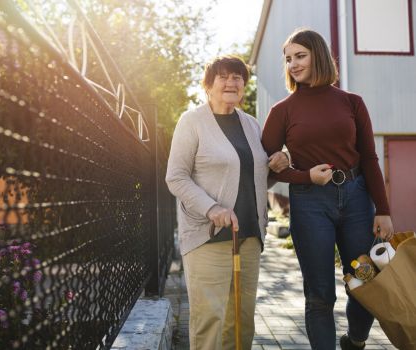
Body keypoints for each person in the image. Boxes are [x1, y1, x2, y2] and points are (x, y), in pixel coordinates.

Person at [261, 28, 394, 350]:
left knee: (365, 284)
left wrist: (384, 209)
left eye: (300, 56)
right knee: (319, 294)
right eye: (288, 59)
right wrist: (303, 176)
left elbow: (371, 157)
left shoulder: (352, 102)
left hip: (357, 200)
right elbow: (264, 167)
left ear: (318, 55)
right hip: (310, 206)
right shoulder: (282, 110)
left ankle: (356, 341)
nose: (292, 64)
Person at [166, 55, 288, 350]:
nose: (232, 82)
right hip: (208, 237)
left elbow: (256, 177)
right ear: (208, 85)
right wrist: (212, 208)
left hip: (248, 237)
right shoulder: (192, 121)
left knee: (242, 321)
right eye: (223, 77)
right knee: (211, 321)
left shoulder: (251, 124)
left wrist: (282, 160)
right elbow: (176, 177)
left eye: (238, 77)